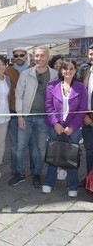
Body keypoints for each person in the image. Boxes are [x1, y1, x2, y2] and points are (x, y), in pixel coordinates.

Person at [9, 46, 58, 188]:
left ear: (48, 57)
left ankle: (37, 174)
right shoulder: (26, 74)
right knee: (20, 147)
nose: (39, 58)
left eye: (42, 55)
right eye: (36, 55)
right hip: (26, 116)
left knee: (41, 148)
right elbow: (19, 95)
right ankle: (20, 173)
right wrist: (20, 115)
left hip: (44, 118)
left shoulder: (55, 74)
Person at [42, 59, 87, 198]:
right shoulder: (52, 85)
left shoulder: (80, 87)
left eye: (71, 68)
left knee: (71, 156)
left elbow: (82, 110)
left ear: (75, 70)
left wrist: (72, 127)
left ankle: (72, 185)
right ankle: (49, 182)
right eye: (65, 68)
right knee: (53, 153)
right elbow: (49, 107)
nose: (68, 71)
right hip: (55, 125)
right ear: (61, 70)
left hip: (73, 127)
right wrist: (55, 123)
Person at [5, 47, 29, 177]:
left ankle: (31, 169)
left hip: (29, 112)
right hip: (13, 111)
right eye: (16, 55)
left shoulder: (32, 69)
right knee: (14, 143)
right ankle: (15, 168)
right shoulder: (8, 70)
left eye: (21, 55)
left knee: (26, 144)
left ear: (26, 55)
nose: (19, 57)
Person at [76, 43, 93, 185]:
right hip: (86, 119)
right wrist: (84, 116)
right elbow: (82, 95)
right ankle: (89, 180)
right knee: (89, 151)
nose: (92, 57)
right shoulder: (87, 71)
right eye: (91, 54)